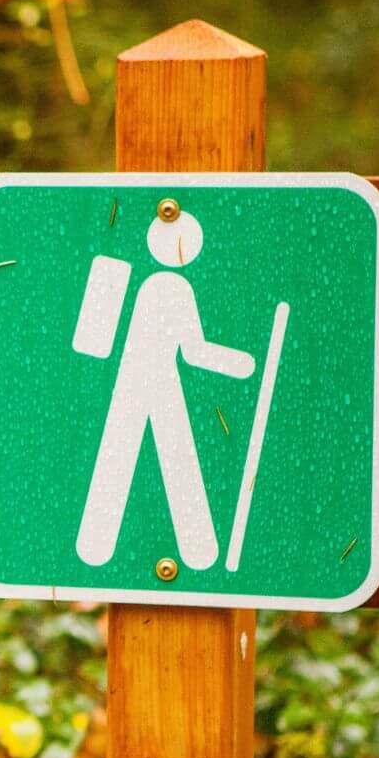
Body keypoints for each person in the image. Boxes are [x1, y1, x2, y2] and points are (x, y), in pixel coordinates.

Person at [75, 206, 255, 571]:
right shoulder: (165, 284)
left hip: (144, 386)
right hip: (140, 383)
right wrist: (244, 364)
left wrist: (242, 364)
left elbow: (92, 341)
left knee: (127, 461)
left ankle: (100, 548)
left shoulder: (130, 274)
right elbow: (195, 352)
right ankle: (197, 553)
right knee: (168, 459)